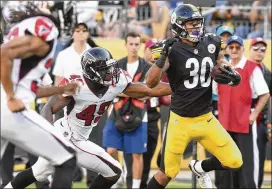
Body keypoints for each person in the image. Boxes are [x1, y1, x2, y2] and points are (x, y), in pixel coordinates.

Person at [4, 47, 172, 189]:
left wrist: (177, 87)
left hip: (77, 136)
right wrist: (48, 139)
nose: (111, 73)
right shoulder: (77, 85)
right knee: (114, 171)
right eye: (105, 70)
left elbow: (146, 90)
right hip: (68, 136)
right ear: (92, 72)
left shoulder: (116, 81)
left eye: (110, 67)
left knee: (38, 172)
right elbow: (49, 108)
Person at [145, 4, 243, 189]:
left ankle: (200, 167)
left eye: (198, 22)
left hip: (205, 117)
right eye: (191, 23)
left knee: (234, 160)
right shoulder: (171, 48)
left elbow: (220, 63)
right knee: (167, 173)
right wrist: (162, 56)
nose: (196, 27)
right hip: (179, 120)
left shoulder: (213, 41)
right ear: (180, 26)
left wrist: (231, 75)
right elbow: (149, 82)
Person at [0, 2, 81, 189]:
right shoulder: (46, 27)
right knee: (66, 159)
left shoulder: (27, 28)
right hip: (9, 108)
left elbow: (31, 88)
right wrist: (11, 96)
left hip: (5, 104)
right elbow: (4, 53)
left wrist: (62, 89)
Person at [214, 36, 270, 188]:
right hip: (225, 122)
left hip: (245, 122)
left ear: (242, 49)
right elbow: (213, 93)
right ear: (227, 50)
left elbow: (265, 94)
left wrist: (253, 114)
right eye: (231, 47)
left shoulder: (252, 67)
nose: (234, 50)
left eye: (237, 47)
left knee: (248, 162)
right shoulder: (221, 69)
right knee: (226, 163)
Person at [103, 32, 150, 189]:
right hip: (116, 111)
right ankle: (119, 176)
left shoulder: (147, 67)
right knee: (110, 150)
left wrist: (123, 90)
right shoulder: (116, 65)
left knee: (137, 154)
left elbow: (147, 92)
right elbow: (110, 89)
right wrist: (135, 91)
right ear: (125, 45)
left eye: (137, 44)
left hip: (139, 114)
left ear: (140, 46)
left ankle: (135, 186)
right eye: (131, 44)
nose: (134, 47)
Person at [248, 37, 271, 188]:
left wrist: (269, 123)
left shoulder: (268, 74)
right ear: (249, 50)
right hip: (241, 122)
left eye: (263, 49)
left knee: (259, 161)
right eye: (256, 48)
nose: (259, 52)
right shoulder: (241, 70)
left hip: (261, 123)